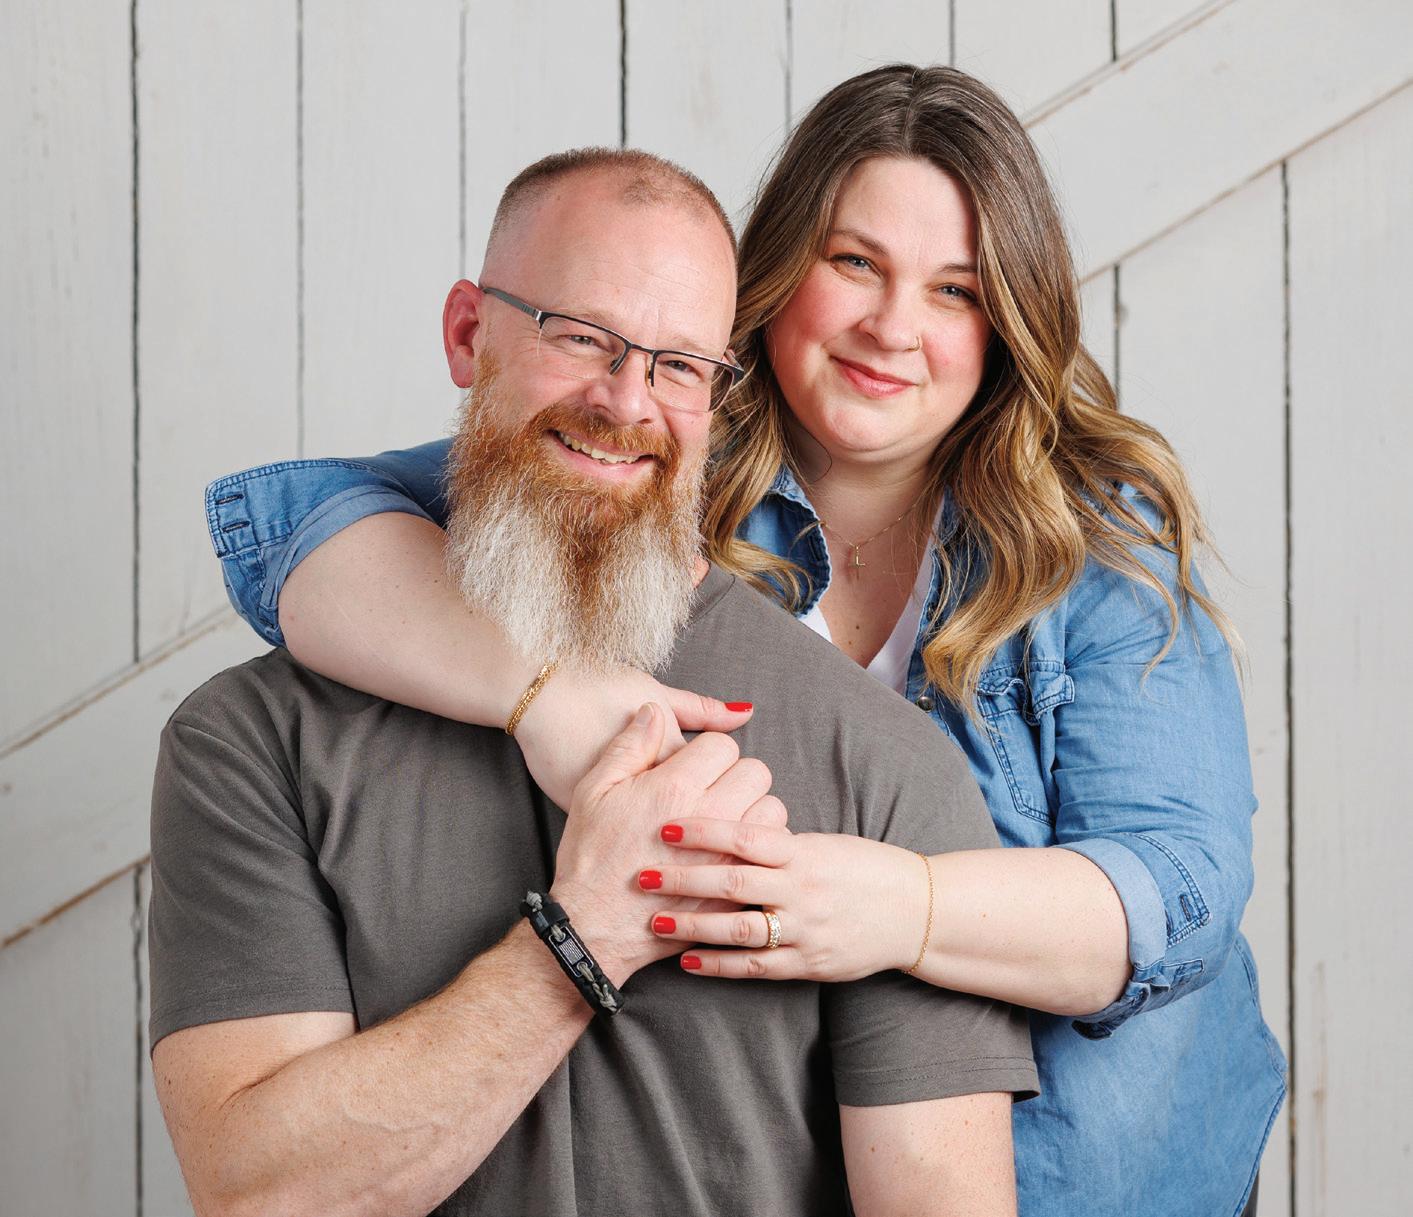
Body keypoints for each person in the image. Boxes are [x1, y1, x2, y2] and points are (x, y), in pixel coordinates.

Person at [204, 65, 1284, 1215]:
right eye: (855, 263)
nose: (892, 327)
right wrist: (543, 696)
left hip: (1104, 1176)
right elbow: (302, 525)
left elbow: (1182, 886)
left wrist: (900, 906)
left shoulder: (1094, 541)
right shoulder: (657, 447)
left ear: (1007, 322)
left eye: (955, 290)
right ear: (775, 273)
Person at [151, 147, 1037, 1217]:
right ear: (467, 335)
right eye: (579, 335)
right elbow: (258, 1198)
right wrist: (585, 938)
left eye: (679, 366)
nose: (626, 402)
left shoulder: (885, 764)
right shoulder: (250, 742)